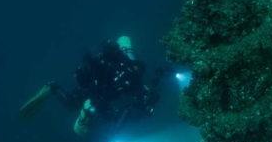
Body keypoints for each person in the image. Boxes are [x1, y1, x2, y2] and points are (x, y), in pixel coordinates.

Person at [20, 35, 165, 135]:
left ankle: (58, 92)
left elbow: (139, 88)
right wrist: (95, 106)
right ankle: (52, 87)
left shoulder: (131, 74)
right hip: (95, 89)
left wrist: (147, 100)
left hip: (105, 92)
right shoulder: (108, 67)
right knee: (72, 105)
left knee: (100, 110)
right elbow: (96, 81)